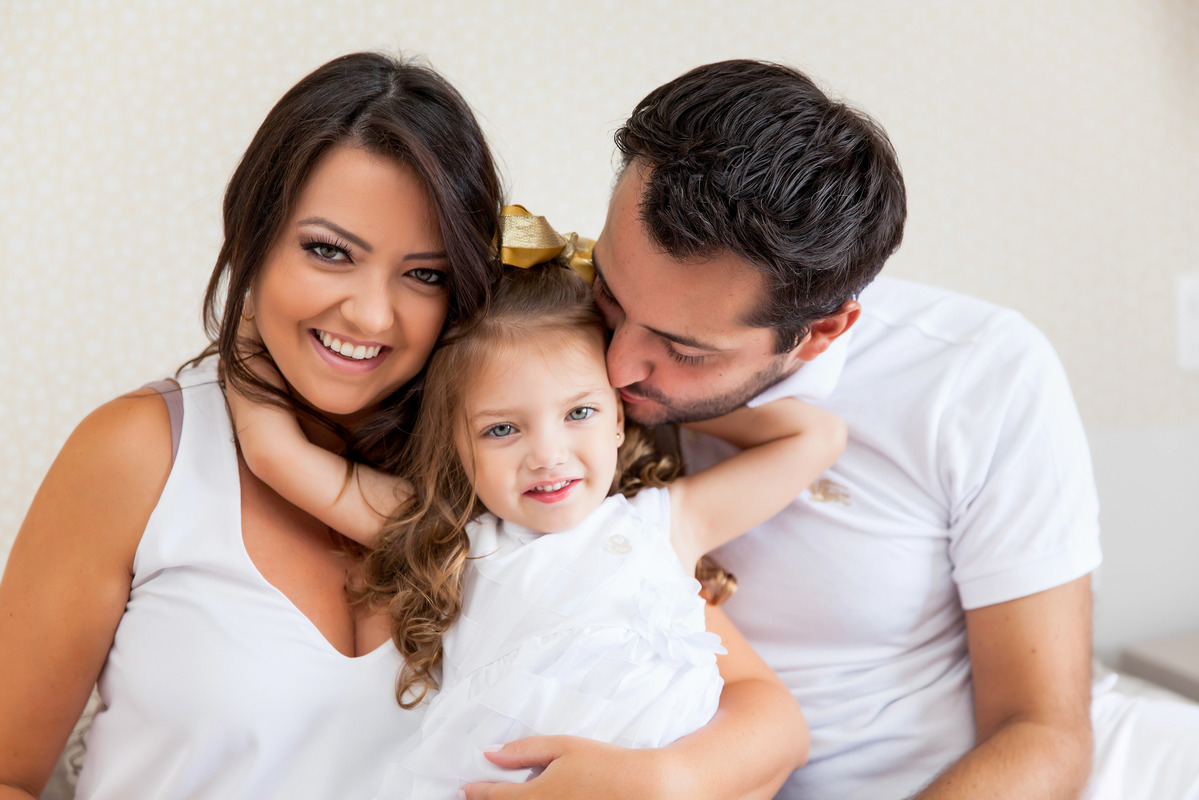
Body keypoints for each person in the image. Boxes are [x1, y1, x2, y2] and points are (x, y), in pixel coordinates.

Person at [0, 54, 805, 800]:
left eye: (424, 273)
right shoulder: (145, 451)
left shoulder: (513, 472)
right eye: (328, 251)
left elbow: (764, 715)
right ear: (254, 236)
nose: (370, 314)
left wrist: (658, 779)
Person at [589, 58, 1199, 800]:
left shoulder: (976, 373)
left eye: (684, 350)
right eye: (608, 292)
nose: (615, 366)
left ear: (822, 331)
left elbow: (1044, 732)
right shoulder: (549, 339)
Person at [228, 227, 844, 794]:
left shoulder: (665, 525)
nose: (547, 456)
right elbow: (275, 455)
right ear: (456, 446)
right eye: (501, 429)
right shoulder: (456, 540)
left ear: (619, 417)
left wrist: (653, 386)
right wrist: (250, 317)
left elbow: (817, 437)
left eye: (579, 412)